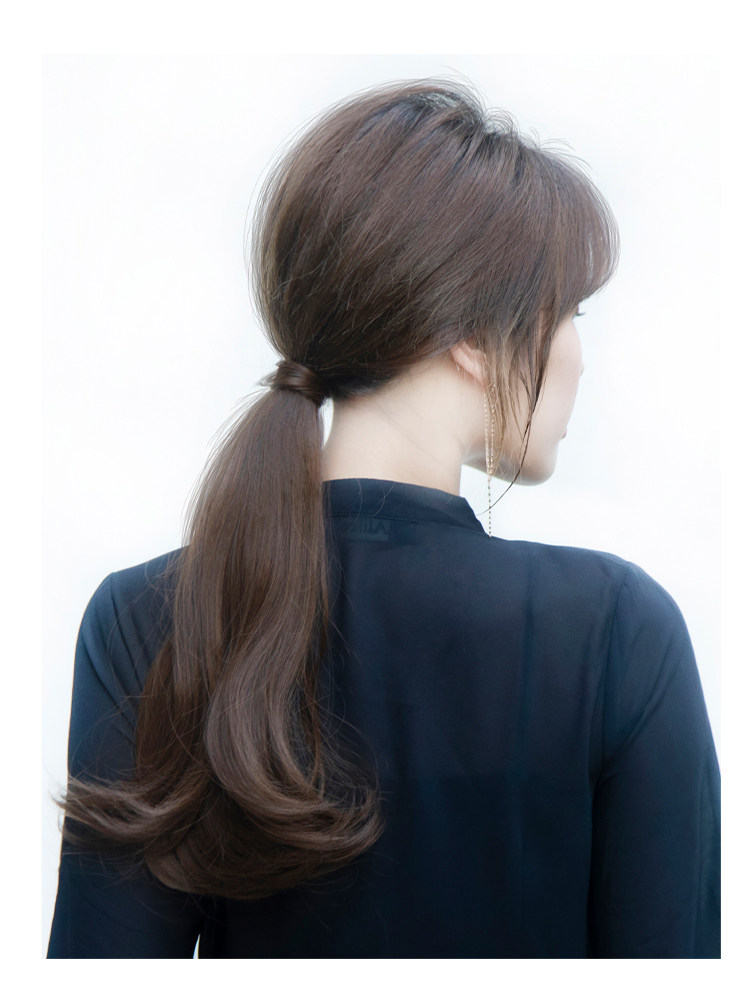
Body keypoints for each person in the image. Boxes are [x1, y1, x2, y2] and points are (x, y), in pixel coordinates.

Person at [47, 78, 720, 958]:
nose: (580, 358)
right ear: (472, 336)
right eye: (569, 311)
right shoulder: (618, 628)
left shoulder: (148, 619)